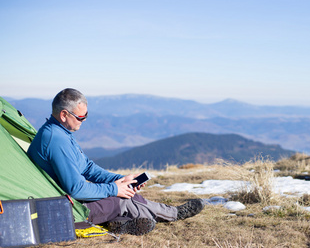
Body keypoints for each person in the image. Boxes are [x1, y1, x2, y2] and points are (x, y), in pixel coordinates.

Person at [27, 88, 204, 235]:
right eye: (81, 117)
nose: (85, 120)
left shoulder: (61, 133)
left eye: (86, 115)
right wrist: (115, 189)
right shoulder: (56, 140)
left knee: (124, 192)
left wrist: (119, 180)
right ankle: (174, 214)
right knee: (123, 200)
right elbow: (76, 189)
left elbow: (87, 167)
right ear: (64, 114)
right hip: (68, 210)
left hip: (70, 202)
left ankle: (119, 224)